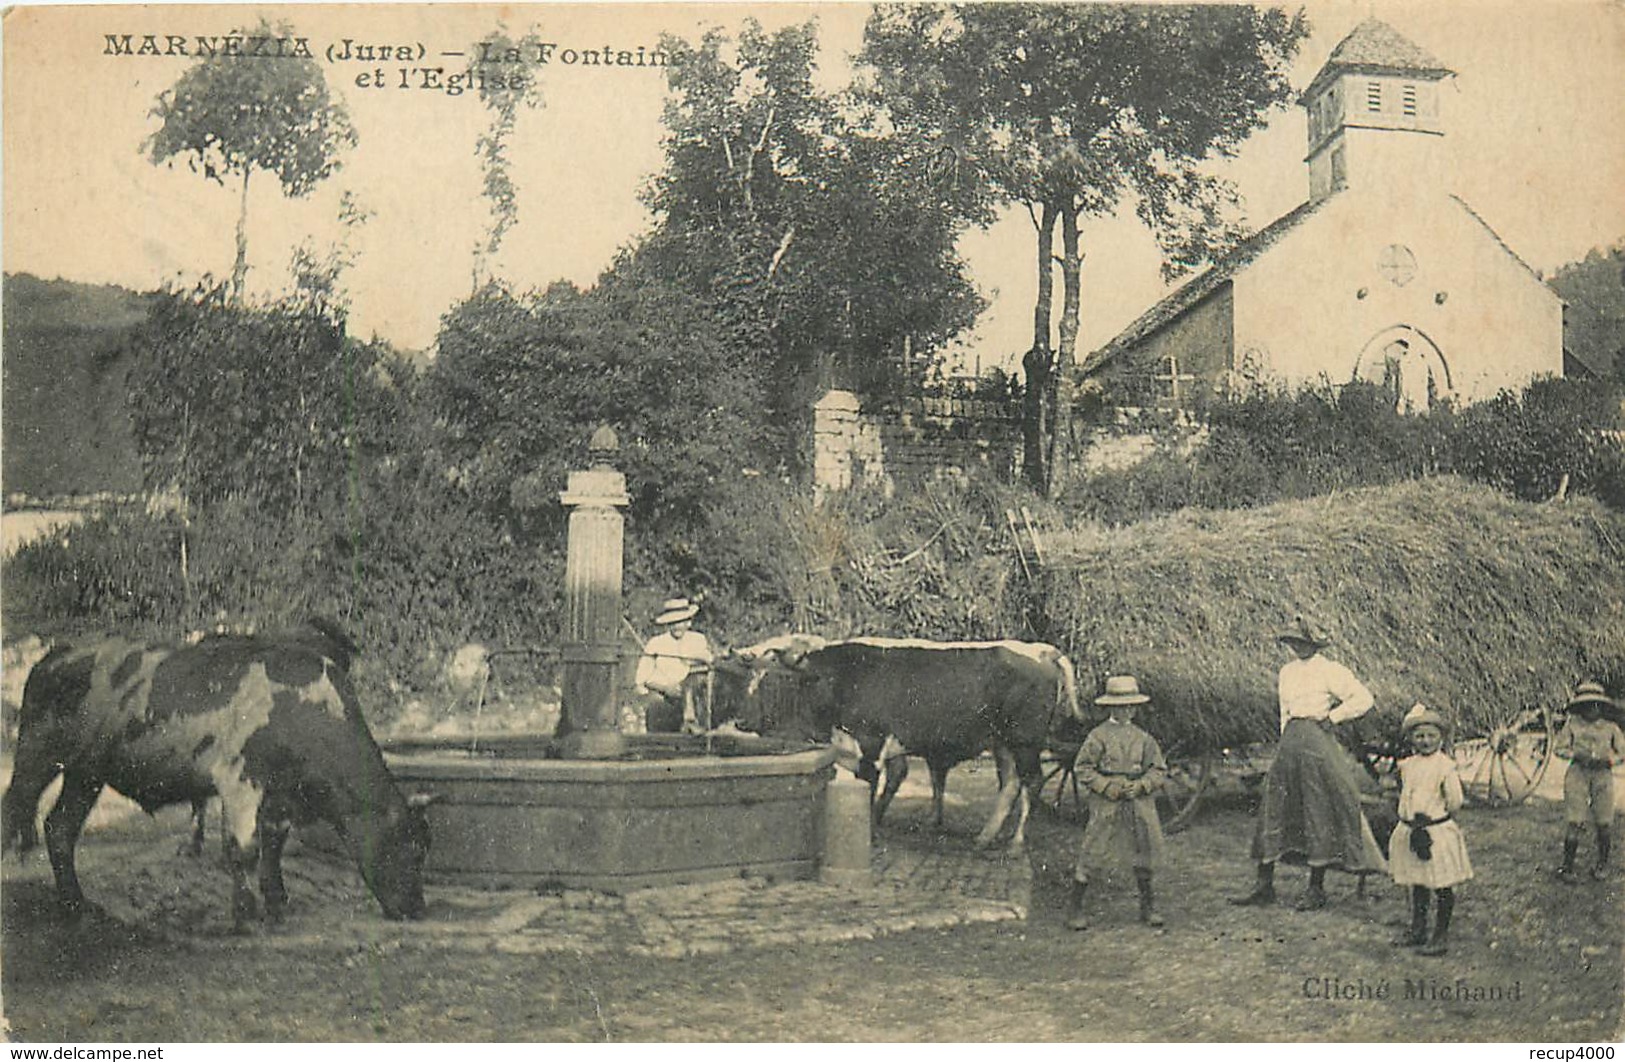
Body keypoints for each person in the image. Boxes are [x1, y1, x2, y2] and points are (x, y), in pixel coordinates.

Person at [1230, 615, 1388, 910]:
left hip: (1316, 740)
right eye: (1292, 642)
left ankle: (1316, 888)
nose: (1296, 647)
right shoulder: (1286, 672)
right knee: (1273, 805)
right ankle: (1264, 885)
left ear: (1313, 643)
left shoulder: (1330, 670)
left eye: (1301, 642)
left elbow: (1363, 698)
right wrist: (1284, 742)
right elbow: (1284, 711)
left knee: (1318, 806)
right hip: (1290, 741)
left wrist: (1333, 718)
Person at [1066, 675, 1168, 931]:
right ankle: (1075, 908)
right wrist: (1105, 786)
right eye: (1121, 706)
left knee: (1143, 848)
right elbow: (1083, 768)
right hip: (1107, 802)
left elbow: (1158, 770)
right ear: (1111, 707)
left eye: (1131, 706)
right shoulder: (1097, 736)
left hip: (1138, 801)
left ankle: (1148, 907)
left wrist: (1142, 785)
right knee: (1094, 848)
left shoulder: (1144, 738)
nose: (1126, 711)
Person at [1388, 704, 1472, 956]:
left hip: (1435, 832)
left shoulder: (1444, 766)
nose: (1425, 741)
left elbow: (1455, 799)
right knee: (1419, 882)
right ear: (1411, 738)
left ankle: (1440, 935)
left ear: (1441, 738)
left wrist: (1439, 817)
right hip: (1412, 829)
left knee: (1442, 884)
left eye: (1431, 736)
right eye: (1419, 736)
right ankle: (1418, 928)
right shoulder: (1408, 765)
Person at [1553, 681, 1625, 883]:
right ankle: (1568, 867)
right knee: (1574, 820)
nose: (1592, 709)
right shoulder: (1572, 724)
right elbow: (1559, 748)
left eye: (1596, 704)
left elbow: (1623, 752)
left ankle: (1602, 865)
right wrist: (1576, 754)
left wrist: (1610, 760)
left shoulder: (1610, 728)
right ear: (1580, 706)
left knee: (1604, 821)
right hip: (1578, 774)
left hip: (1603, 776)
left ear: (1602, 706)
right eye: (1587, 705)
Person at [634, 597, 714, 734]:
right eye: (673, 622)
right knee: (656, 709)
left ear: (688, 622)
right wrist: (665, 688)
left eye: (681, 621)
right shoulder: (656, 643)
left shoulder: (698, 639)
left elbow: (709, 665)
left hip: (694, 700)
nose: (677, 626)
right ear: (667, 624)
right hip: (665, 698)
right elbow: (641, 679)